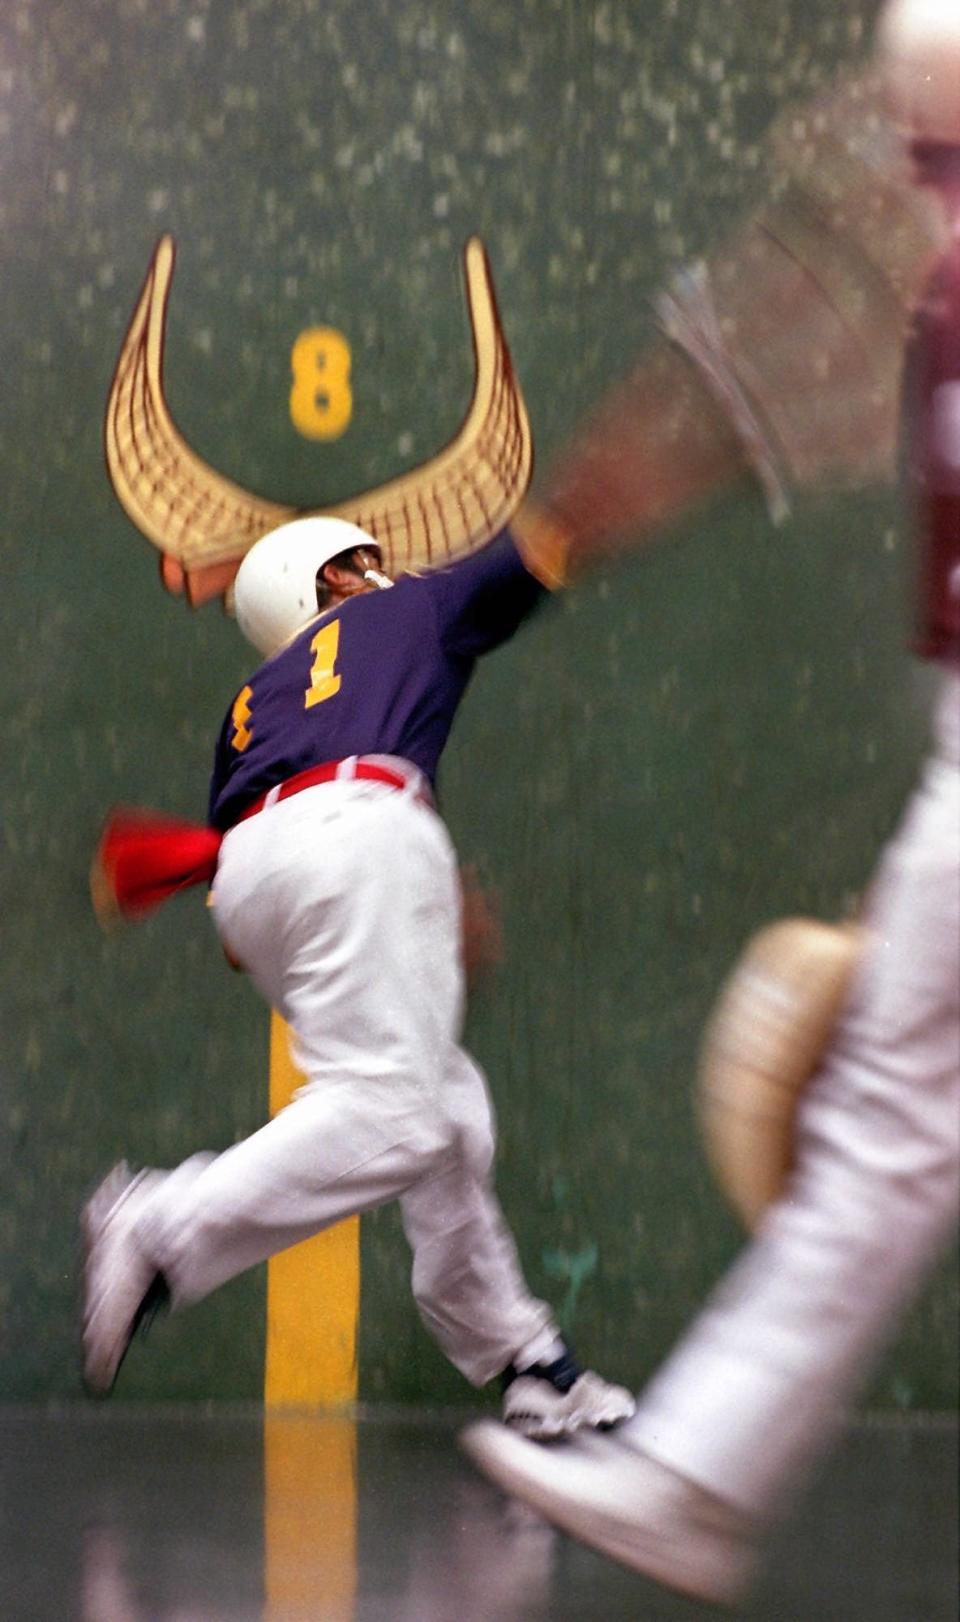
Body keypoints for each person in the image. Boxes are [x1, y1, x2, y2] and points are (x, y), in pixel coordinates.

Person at [460, 5, 960, 1602]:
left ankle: (693, 1473)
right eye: (920, 150)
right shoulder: (933, 300)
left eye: (933, 146)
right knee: (893, 1111)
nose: (917, 178)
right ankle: (694, 1476)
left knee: (893, 1112)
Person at [82, 513, 634, 1439]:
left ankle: (526, 1362)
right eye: (365, 562)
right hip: (363, 835)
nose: (388, 570)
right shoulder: (406, 613)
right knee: (397, 1112)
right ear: (329, 581)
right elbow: (531, 558)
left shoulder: (255, 705)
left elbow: (249, 907)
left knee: (445, 1117)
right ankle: (160, 1226)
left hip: (261, 876)